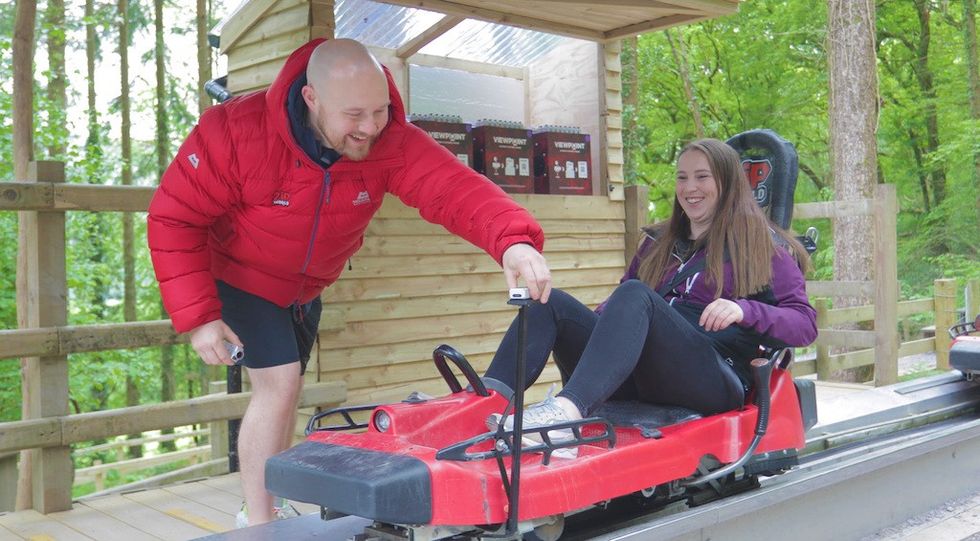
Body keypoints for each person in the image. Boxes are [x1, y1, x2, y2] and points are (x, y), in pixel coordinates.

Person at [147, 38, 552, 527]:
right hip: (240, 274)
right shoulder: (234, 133)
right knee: (278, 385)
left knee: (285, 392)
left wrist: (513, 241)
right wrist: (201, 318)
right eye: (355, 114)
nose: (369, 127)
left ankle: (265, 503)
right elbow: (173, 218)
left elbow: (452, 189)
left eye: (379, 110)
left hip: (306, 288)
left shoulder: (388, 140)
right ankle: (259, 523)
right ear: (311, 98)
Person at [483, 138, 816, 452]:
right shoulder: (659, 243)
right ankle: (483, 404)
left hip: (713, 376)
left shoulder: (763, 247)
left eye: (702, 177)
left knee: (635, 294)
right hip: (643, 373)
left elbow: (804, 325)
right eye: (682, 177)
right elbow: (619, 307)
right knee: (552, 303)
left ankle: (566, 414)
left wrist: (744, 311)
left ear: (727, 183)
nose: (690, 188)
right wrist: (598, 328)